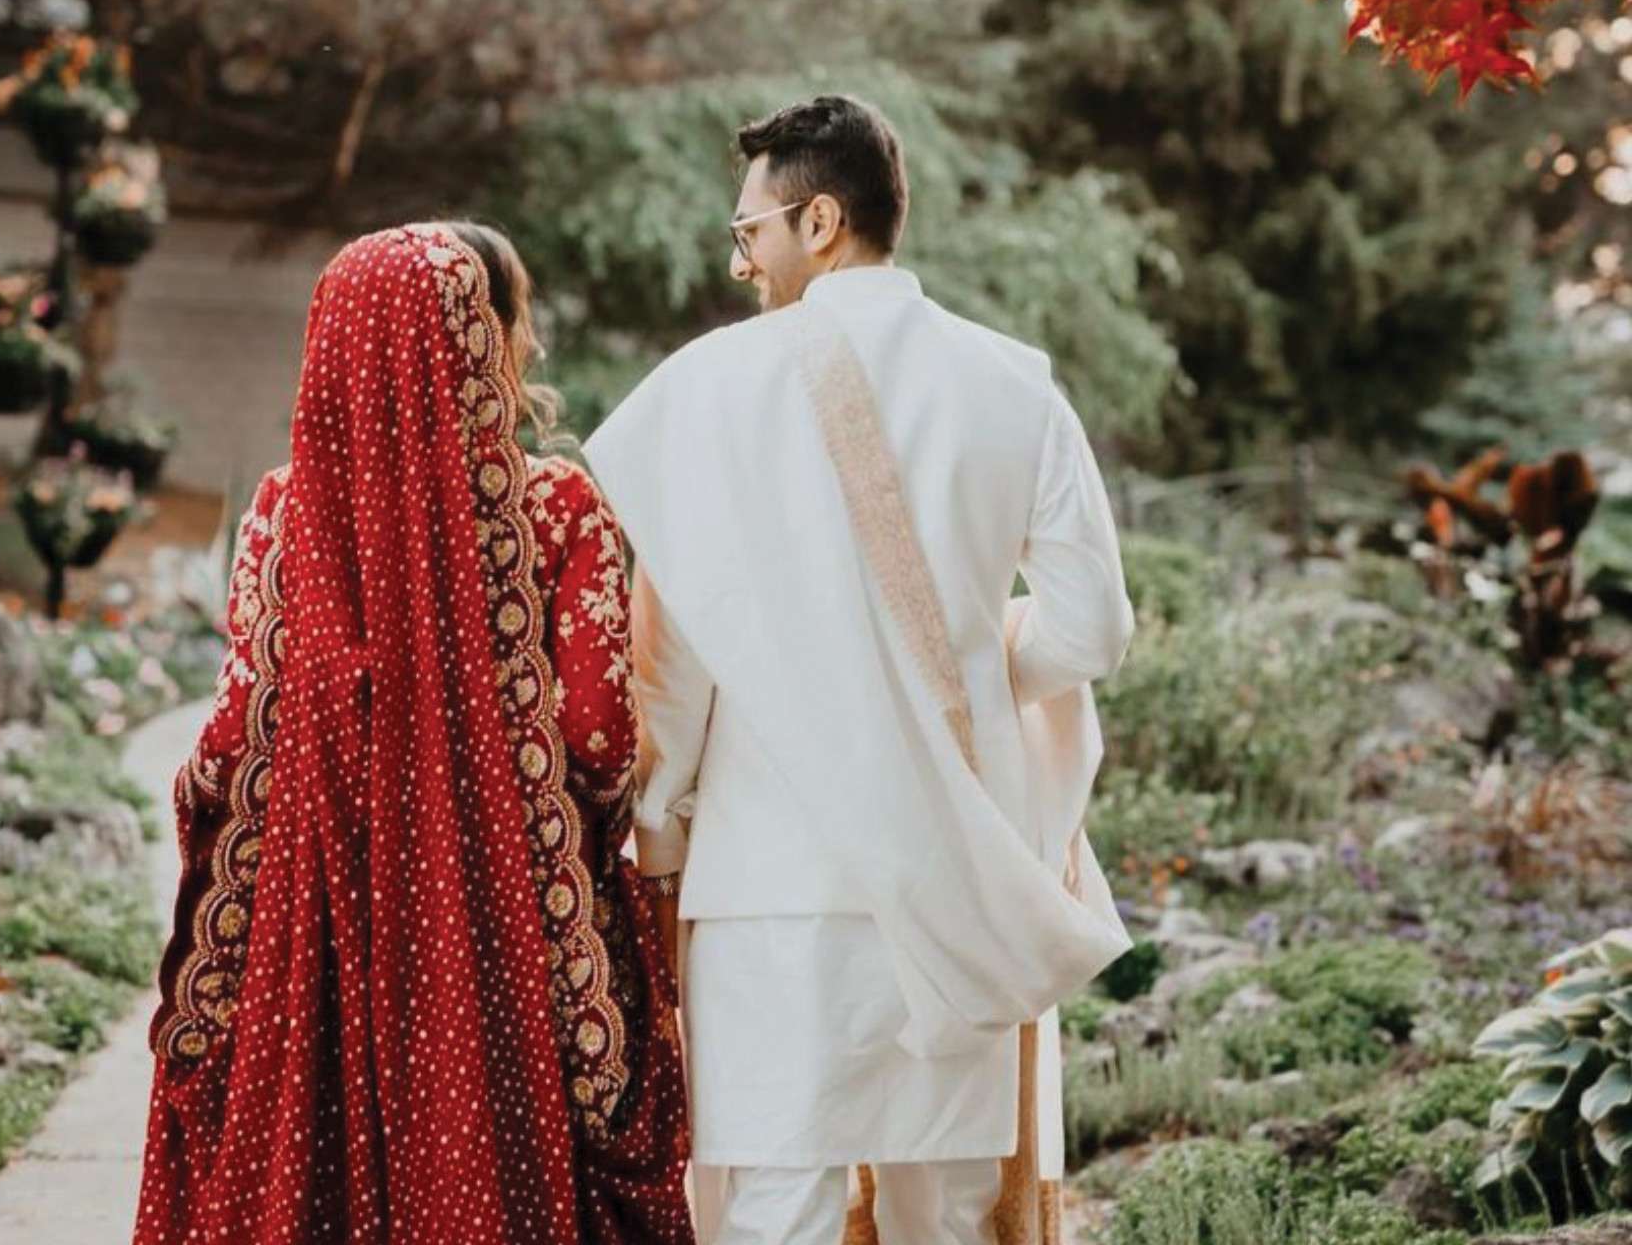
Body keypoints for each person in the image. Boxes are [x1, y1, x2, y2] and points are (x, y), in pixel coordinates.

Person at [583, 96, 1138, 1245]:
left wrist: (660, 840)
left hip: (771, 880)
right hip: (957, 870)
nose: (740, 262)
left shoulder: (706, 390)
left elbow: (669, 667)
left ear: (821, 221)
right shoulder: (1015, 385)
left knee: (776, 1208)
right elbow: (1092, 632)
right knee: (947, 1214)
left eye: (750, 232)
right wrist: (978, 672)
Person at [133, 222, 695, 1245]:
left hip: (322, 925)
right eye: (510, 318)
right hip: (508, 929)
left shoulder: (285, 511)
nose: (527, 342)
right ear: (474, 337)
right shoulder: (556, 506)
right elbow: (599, 736)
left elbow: (234, 739)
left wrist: (257, 816)